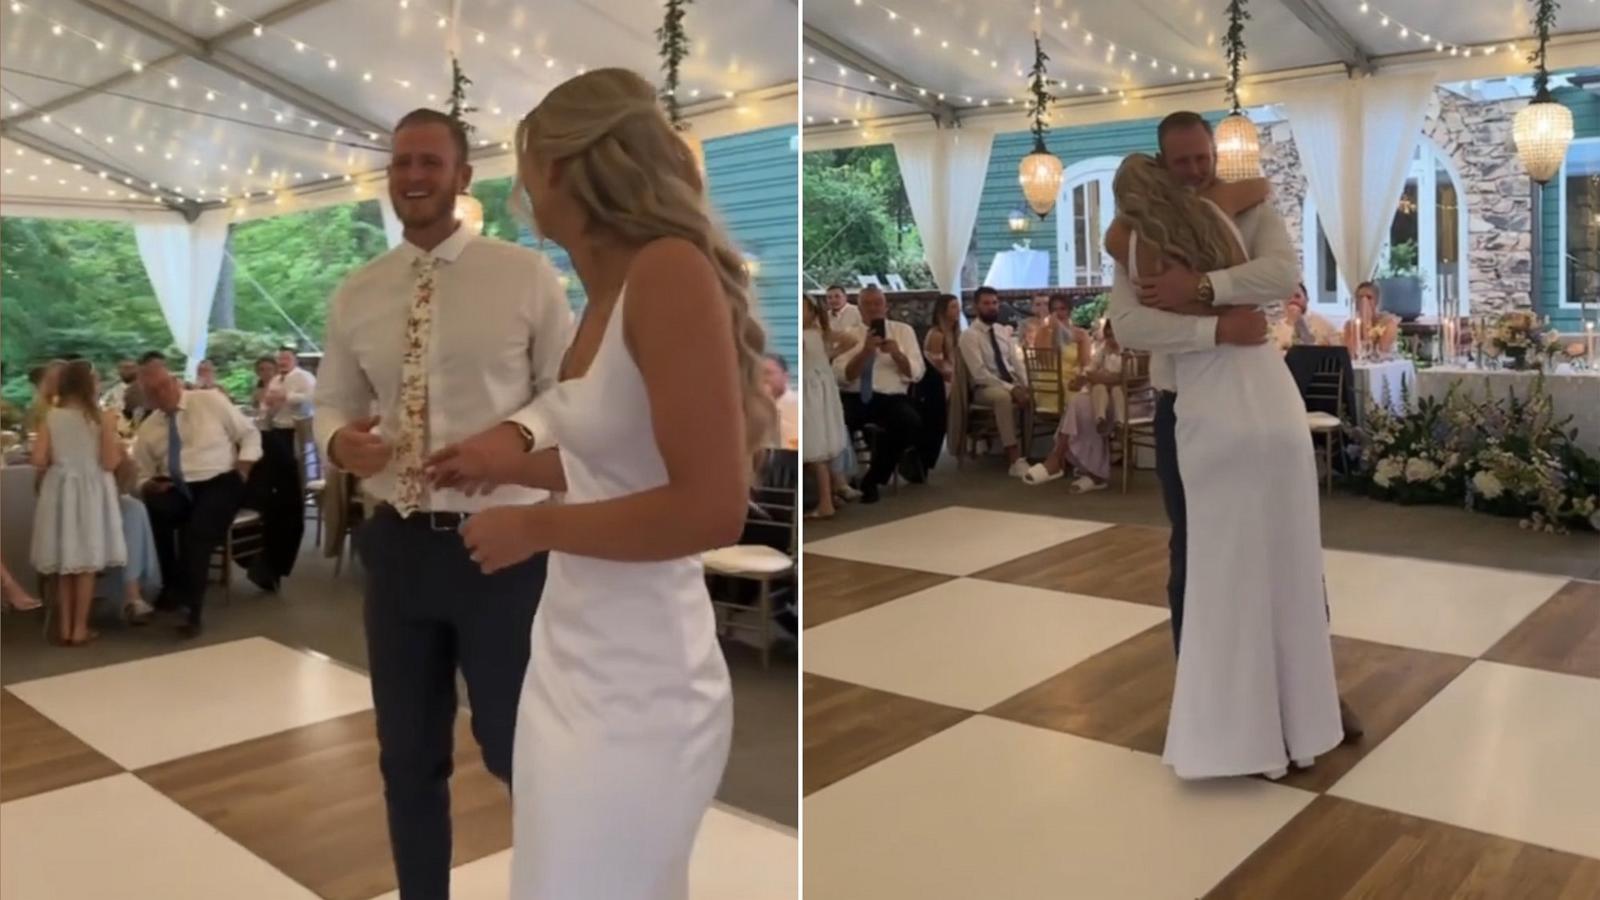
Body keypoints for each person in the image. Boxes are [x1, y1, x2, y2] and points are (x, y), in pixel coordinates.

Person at [418, 68, 772, 899]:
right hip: (571, 656)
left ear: (574, 170)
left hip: (641, 681)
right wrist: (508, 463)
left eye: (529, 166)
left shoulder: (668, 273)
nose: (519, 191)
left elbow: (709, 506)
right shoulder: (603, 293)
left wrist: (533, 527)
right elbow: (615, 466)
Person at [311, 106, 572, 900]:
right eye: (400, 164)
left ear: (464, 175)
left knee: (514, 745)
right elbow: (329, 402)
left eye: (428, 162)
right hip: (395, 547)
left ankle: (560, 883)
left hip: (501, 546)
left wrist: (515, 437)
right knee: (407, 753)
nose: (413, 177)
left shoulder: (525, 275)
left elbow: (572, 396)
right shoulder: (359, 292)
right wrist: (336, 444)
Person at [1107, 141, 1350, 780]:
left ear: (1214, 153)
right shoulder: (1142, 233)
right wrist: (1216, 325)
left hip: (1241, 399)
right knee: (1200, 561)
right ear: (1163, 167)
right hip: (1197, 396)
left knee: (1282, 557)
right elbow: (1129, 324)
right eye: (1180, 161)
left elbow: (1281, 275)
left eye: (1201, 157)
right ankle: (1216, 700)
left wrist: (1204, 287)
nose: (1194, 169)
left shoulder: (1241, 206)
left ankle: (1300, 702)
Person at [133, 352, 260, 639]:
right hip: (178, 485)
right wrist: (148, 485)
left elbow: (249, 434)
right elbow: (140, 473)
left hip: (219, 479)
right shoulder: (150, 427)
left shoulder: (209, 401)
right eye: (152, 392)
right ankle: (171, 585)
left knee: (197, 533)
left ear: (174, 381)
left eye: (163, 385)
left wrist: (243, 467)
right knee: (152, 510)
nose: (160, 394)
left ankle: (194, 611)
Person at [31, 360, 127, 645]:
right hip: (91, 490)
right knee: (85, 563)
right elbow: (110, 462)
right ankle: (79, 628)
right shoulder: (101, 418)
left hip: (60, 489)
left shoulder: (51, 416)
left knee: (65, 560)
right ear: (88, 385)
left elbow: (37, 459)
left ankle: (63, 628)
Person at [834, 285, 925, 502]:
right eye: (867, 304)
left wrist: (897, 354)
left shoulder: (903, 331)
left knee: (908, 421)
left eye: (878, 303)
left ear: (886, 306)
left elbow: (917, 373)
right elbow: (841, 375)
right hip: (855, 395)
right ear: (859, 307)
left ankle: (873, 478)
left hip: (890, 396)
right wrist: (865, 351)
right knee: (834, 422)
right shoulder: (848, 335)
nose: (873, 308)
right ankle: (841, 480)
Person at [249, 347, 317, 590]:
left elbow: (312, 398)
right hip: (273, 431)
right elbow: (266, 407)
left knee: (281, 486)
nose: (282, 362)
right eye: (280, 358)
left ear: (294, 359)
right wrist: (264, 413)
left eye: (286, 358)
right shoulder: (276, 380)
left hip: (293, 433)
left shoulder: (304, 378)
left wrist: (285, 398)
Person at [958, 286, 1032, 478]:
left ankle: (1033, 453)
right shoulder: (969, 336)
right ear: (976, 307)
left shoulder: (1001, 331)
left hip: (1010, 381)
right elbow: (979, 373)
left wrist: (1025, 385)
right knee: (1002, 398)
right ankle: (1014, 459)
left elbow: (1015, 361)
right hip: (985, 388)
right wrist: (1011, 388)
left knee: (1035, 392)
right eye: (986, 303)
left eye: (994, 303)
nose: (992, 307)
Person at [804, 296, 850, 519]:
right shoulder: (820, 334)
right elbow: (850, 340)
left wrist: (826, 356)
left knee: (815, 450)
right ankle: (831, 494)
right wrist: (827, 356)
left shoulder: (806, 336)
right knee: (819, 447)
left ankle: (825, 502)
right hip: (822, 388)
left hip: (810, 394)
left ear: (812, 313)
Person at [916, 293, 962, 473]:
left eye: (958, 307)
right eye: (953, 307)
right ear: (942, 311)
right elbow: (937, 365)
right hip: (939, 382)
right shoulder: (937, 334)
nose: (957, 311)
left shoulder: (955, 333)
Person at [1344, 280, 1399, 356]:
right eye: (1360, 297)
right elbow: (1350, 353)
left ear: (1376, 301)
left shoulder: (1389, 324)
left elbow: (1380, 352)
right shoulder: (1350, 325)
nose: (1364, 301)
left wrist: (1366, 324)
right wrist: (1362, 323)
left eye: (1369, 297)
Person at [764, 353, 799, 450]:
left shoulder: (797, 404)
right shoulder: (750, 406)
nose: (762, 378)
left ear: (785, 376)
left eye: (767, 373)